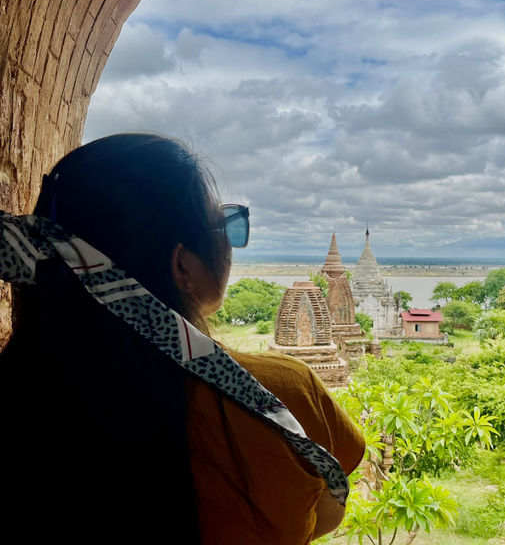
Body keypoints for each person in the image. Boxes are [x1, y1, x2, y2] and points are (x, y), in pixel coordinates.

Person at [0, 134, 364, 544]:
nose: (230, 240)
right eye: (224, 226)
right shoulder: (282, 394)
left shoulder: (22, 387)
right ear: (183, 264)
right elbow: (326, 515)